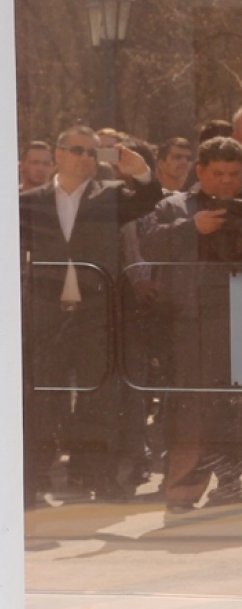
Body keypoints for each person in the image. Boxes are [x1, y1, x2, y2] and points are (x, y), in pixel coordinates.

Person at [135, 136, 242, 513]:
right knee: (194, 410)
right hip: (194, 323)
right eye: (217, 174)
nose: (226, 182)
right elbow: (147, 244)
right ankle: (184, 493)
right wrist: (190, 228)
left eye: (234, 174)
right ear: (200, 172)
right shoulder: (173, 207)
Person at [20, 126, 162, 502]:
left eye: (92, 153)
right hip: (47, 314)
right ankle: (33, 481)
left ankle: (99, 477)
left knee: (98, 395)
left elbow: (150, 199)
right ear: (59, 154)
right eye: (78, 150)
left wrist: (141, 170)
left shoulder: (111, 196)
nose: (86, 158)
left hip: (95, 314)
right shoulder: (29, 200)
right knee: (42, 397)